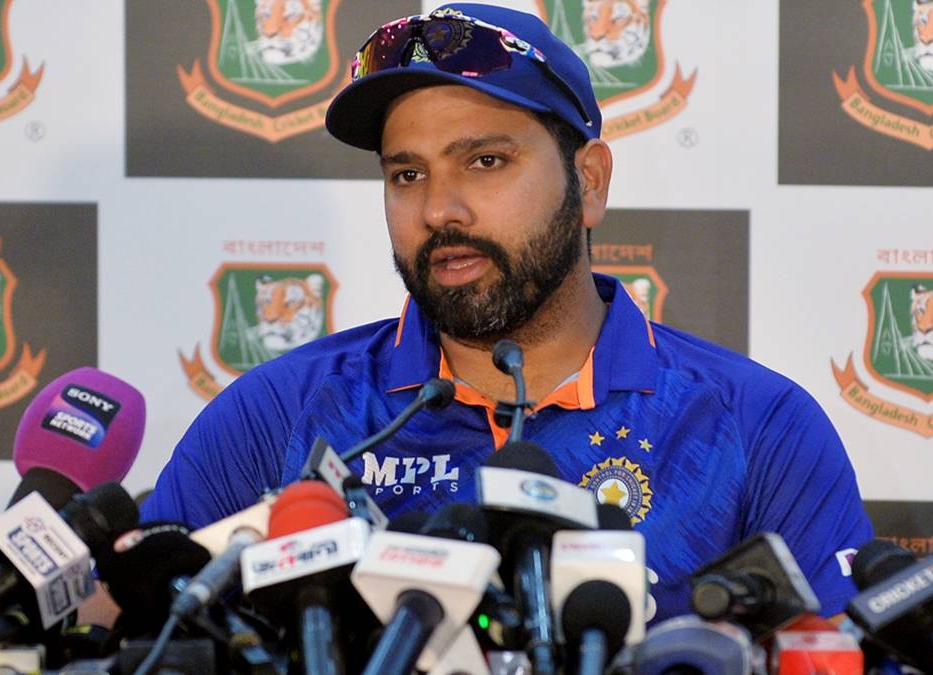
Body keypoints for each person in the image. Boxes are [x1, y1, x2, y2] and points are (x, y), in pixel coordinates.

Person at [140, 3, 873, 621]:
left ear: (589, 182)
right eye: (407, 174)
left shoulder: (756, 425)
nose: (439, 209)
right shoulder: (277, 413)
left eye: (485, 161)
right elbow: (141, 626)